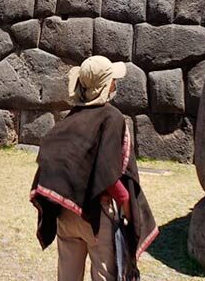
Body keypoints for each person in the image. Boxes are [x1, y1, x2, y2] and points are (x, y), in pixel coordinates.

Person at [30, 55, 158, 281]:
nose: (115, 84)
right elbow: (109, 175)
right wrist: (130, 214)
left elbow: (53, 161)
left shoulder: (69, 121)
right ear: (105, 85)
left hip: (66, 215)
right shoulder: (112, 118)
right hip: (98, 217)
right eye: (112, 80)